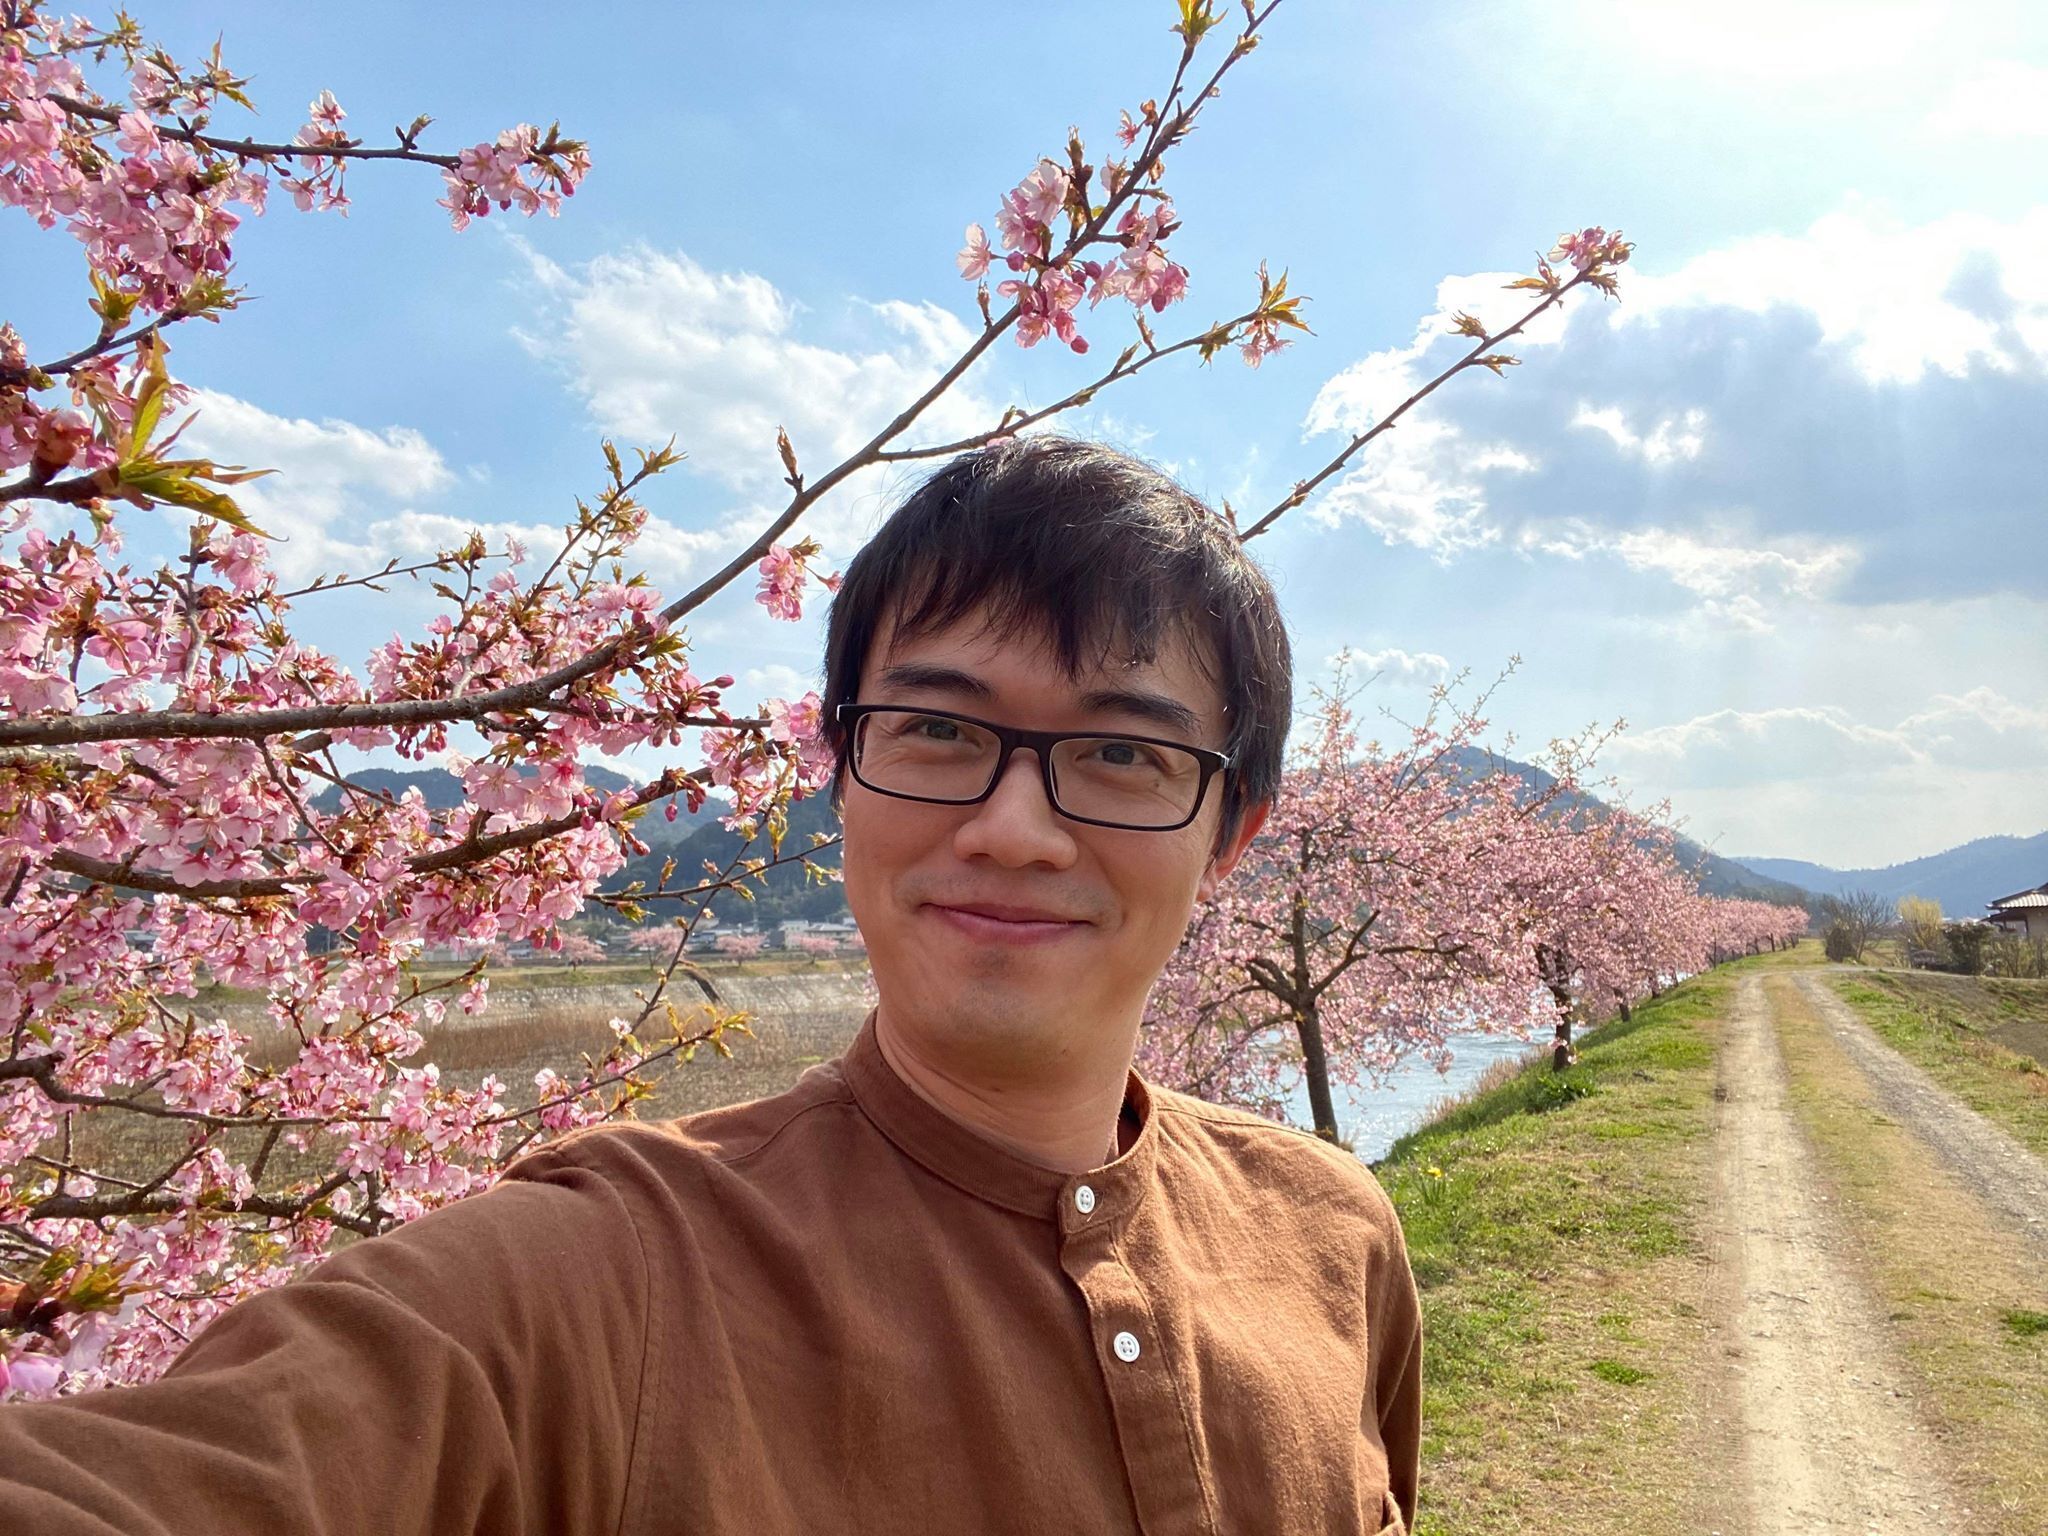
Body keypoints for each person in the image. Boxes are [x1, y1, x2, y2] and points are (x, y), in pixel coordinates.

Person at [0, 436, 1422, 1535]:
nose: (1012, 828)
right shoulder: (608, 1279)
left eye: (1122, 754)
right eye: (935, 730)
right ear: (841, 773)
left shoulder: (1335, 1234)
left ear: (1231, 830)